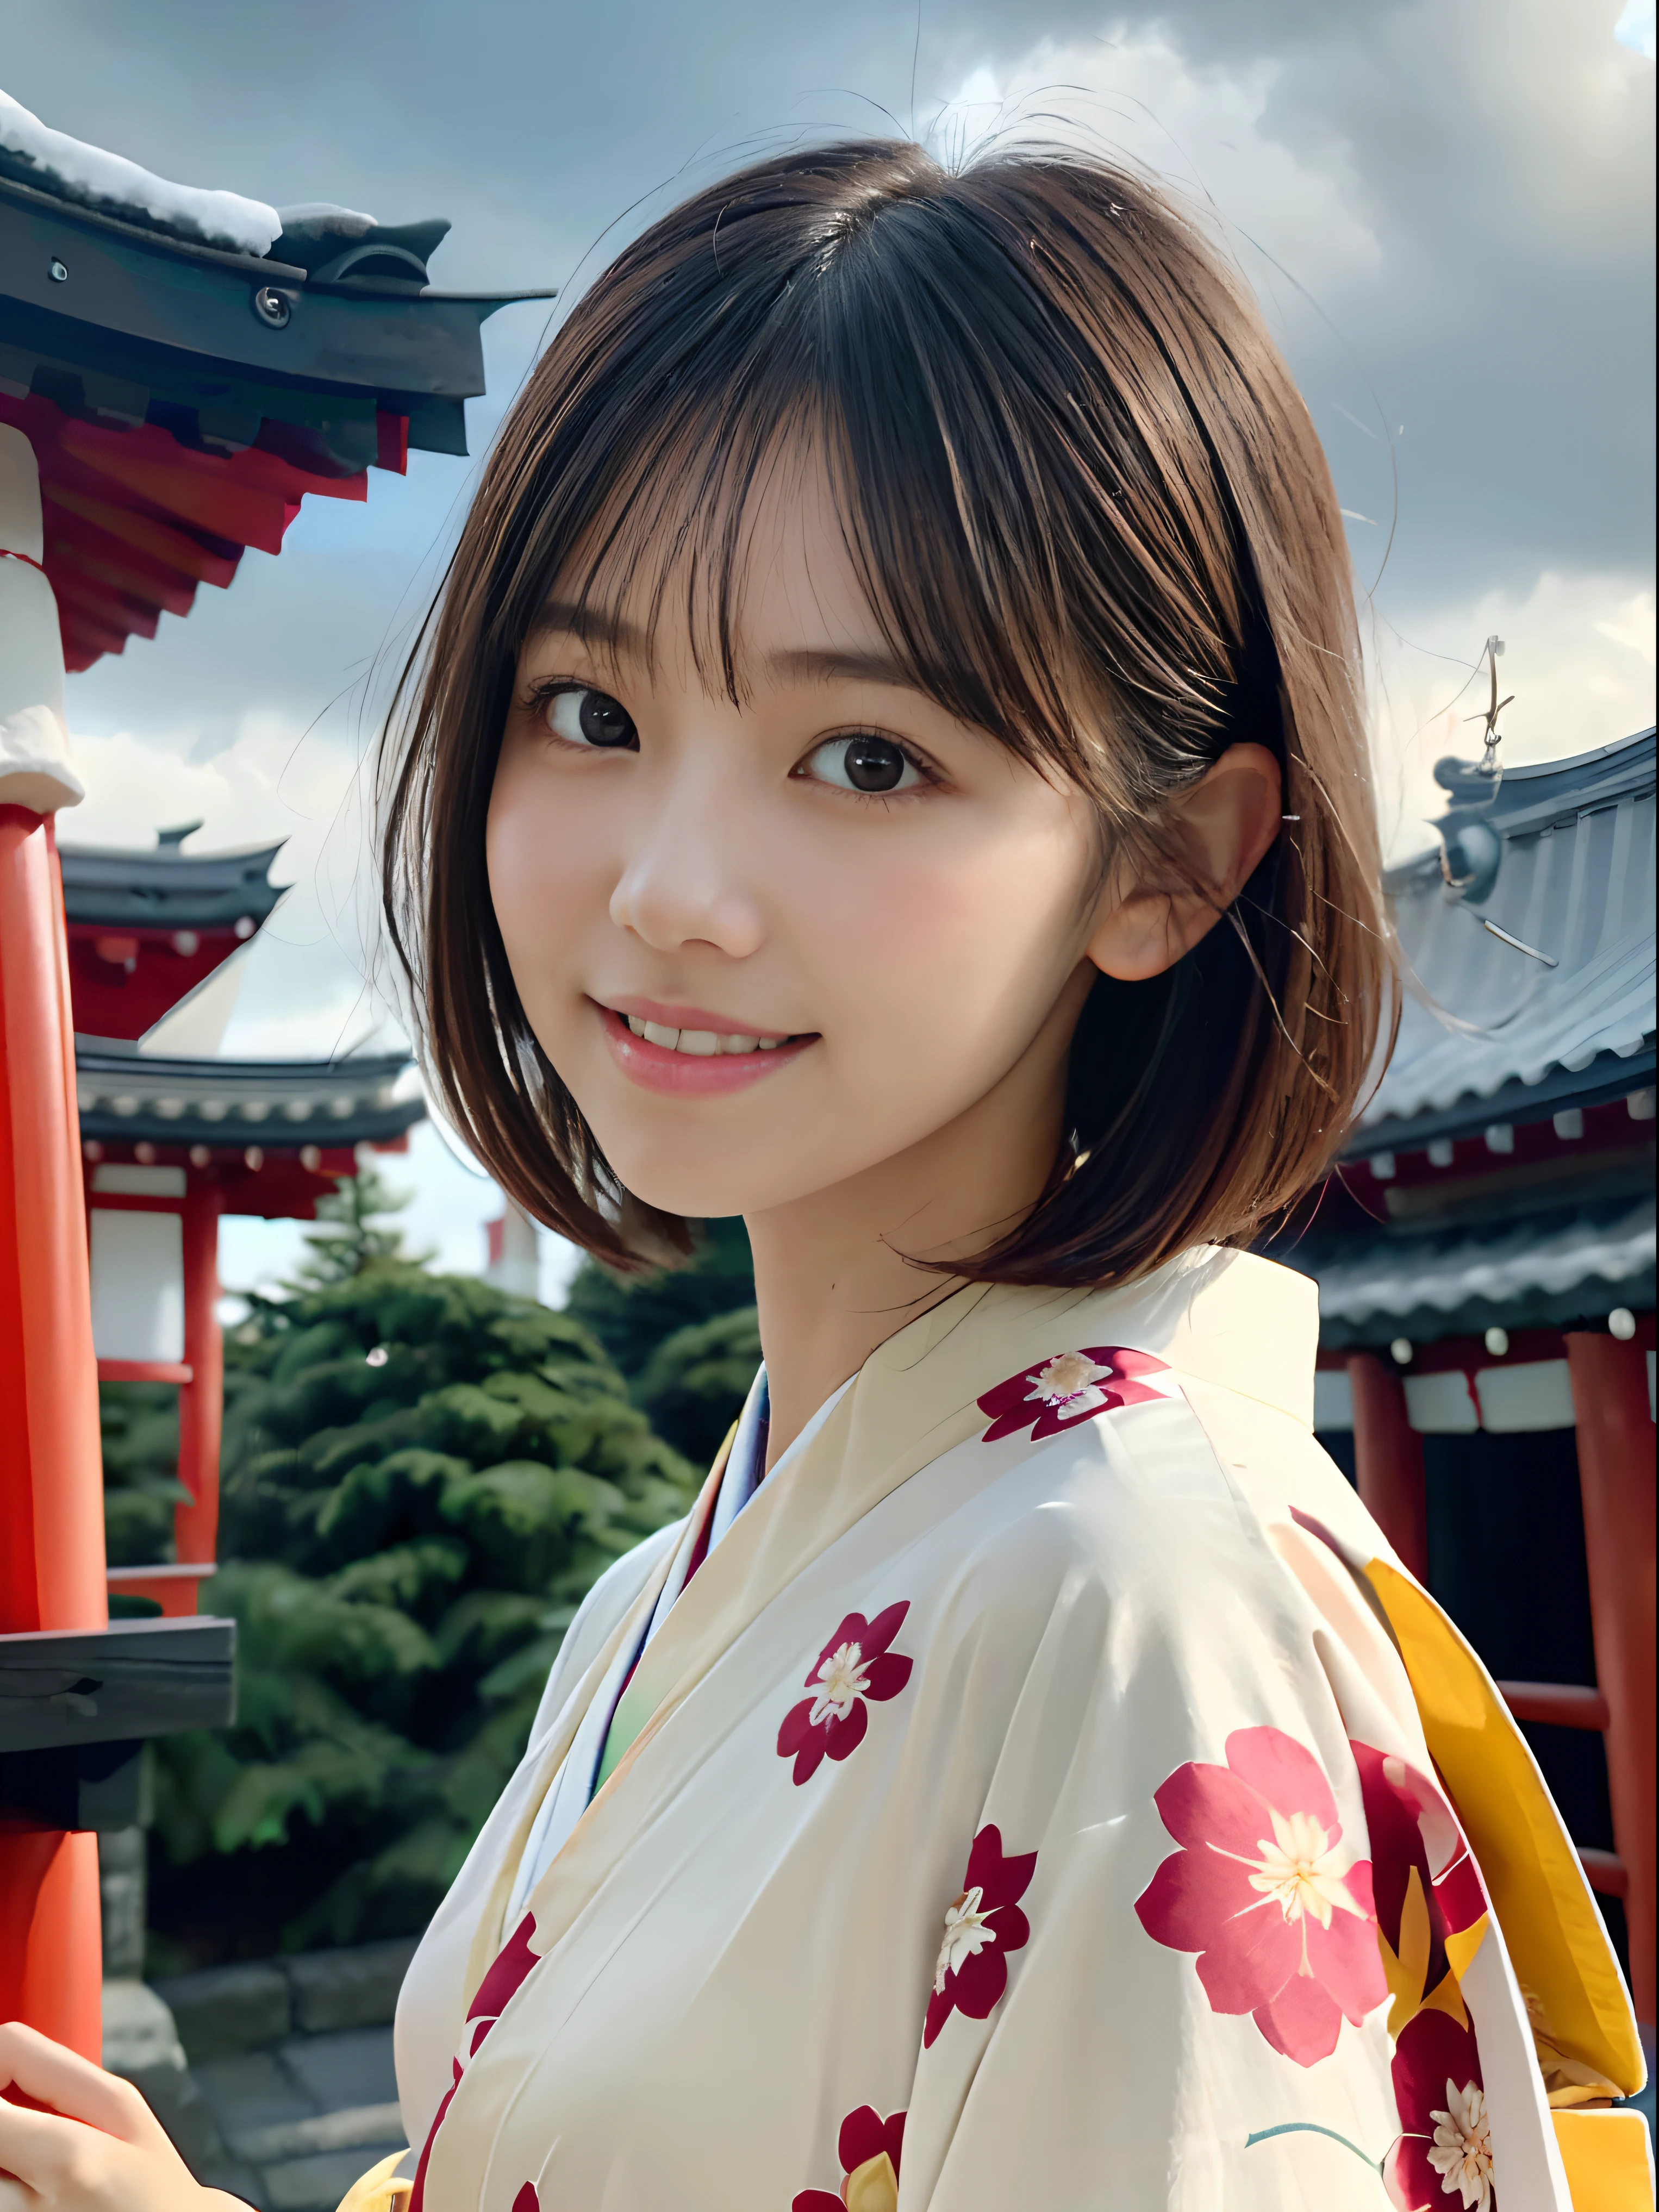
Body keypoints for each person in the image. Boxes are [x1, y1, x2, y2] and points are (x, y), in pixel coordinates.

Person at [1, 138, 1645, 2212]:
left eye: (866, 758)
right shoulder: (683, 1579)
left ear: (1168, 861)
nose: (671, 889)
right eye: (586, 708)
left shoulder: (1141, 1608)